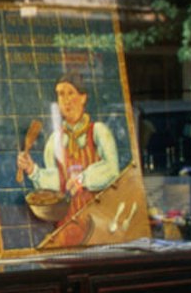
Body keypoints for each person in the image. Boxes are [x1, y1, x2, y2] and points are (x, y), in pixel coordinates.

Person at [17, 74, 119, 246]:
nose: (65, 100)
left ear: (83, 97)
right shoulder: (54, 141)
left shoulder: (99, 132)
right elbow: (56, 188)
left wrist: (83, 179)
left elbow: (112, 169)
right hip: (67, 225)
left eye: (70, 93)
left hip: (100, 223)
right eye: (60, 94)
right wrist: (32, 170)